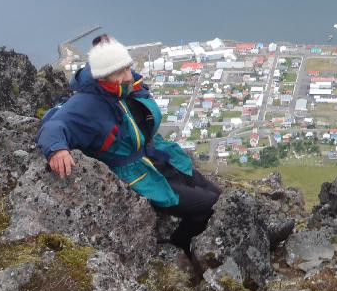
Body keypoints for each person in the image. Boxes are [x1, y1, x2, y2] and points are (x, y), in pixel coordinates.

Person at [36, 36, 220, 258]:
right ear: (102, 76)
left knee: (220, 198)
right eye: (119, 72)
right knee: (209, 206)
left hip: (158, 157)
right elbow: (55, 124)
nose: (128, 76)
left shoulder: (120, 87)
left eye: (128, 68)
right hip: (137, 174)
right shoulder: (86, 105)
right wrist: (57, 149)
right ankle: (179, 244)